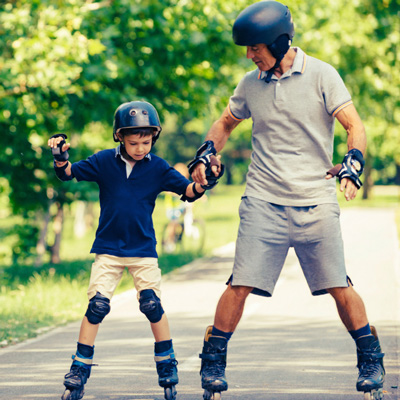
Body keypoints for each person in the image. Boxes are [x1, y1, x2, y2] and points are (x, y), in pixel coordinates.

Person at [188, 2, 385, 399]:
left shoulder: (322, 75)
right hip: (263, 199)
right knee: (239, 283)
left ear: (279, 42)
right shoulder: (250, 83)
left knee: (338, 285)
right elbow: (226, 122)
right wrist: (208, 151)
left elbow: (354, 126)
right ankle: (213, 362)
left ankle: (370, 358)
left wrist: (353, 161)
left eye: (256, 48)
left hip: (315, 199)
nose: (249, 55)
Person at [48, 100, 223, 400]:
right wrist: (60, 157)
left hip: (143, 250)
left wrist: (207, 181)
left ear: (154, 137)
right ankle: (79, 368)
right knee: (97, 306)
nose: (140, 148)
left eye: (146, 141)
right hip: (108, 248)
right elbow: (68, 175)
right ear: (119, 137)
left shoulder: (157, 167)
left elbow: (188, 192)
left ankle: (167, 365)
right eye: (133, 142)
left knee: (151, 305)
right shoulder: (104, 162)